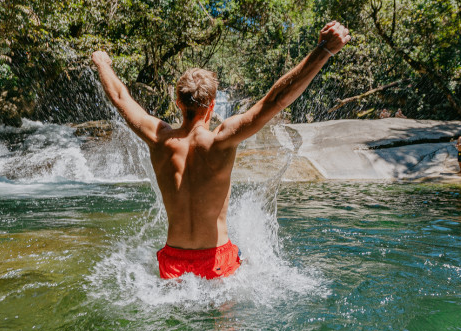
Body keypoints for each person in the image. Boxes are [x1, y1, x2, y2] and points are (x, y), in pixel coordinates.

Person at [91, 21, 352, 280]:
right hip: (217, 261)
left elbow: (120, 98)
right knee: (228, 315)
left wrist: (103, 63)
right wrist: (324, 50)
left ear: (178, 103)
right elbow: (276, 99)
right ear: (212, 105)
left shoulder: (159, 138)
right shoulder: (221, 141)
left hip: (172, 262)